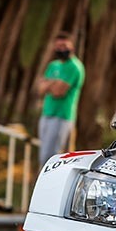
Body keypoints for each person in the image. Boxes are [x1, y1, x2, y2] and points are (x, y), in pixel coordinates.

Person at [35, 32, 86, 165]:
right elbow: (40, 89)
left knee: (50, 157)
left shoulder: (75, 67)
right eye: (58, 46)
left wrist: (48, 83)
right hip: (46, 114)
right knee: (43, 154)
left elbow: (59, 91)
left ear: (72, 46)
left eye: (64, 45)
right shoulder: (53, 65)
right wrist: (54, 83)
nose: (61, 49)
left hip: (62, 116)